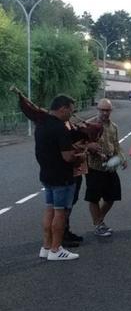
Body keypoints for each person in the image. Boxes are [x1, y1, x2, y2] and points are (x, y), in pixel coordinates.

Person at [35, 95, 83, 261]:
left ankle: (46, 246)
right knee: (60, 212)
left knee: (49, 210)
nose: (72, 113)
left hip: (46, 175)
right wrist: (81, 156)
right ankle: (56, 249)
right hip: (61, 177)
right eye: (71, 109)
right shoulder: (60, 128)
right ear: (63, 108)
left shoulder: (41, 124)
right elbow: (68, 157)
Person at [84, 99, 126, 237]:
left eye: (107, 110)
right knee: (93, 198)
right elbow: (80, 144)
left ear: (110, 111)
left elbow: (116, 145)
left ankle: (98, 221)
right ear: (97, 109)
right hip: (94, 167)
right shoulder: (89, 125)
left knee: (112, 196)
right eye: (102, 110)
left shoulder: (113, 127)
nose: (104, 113)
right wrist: (90, 147)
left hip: (110, 167)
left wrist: (121, 158)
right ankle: (98, 225)